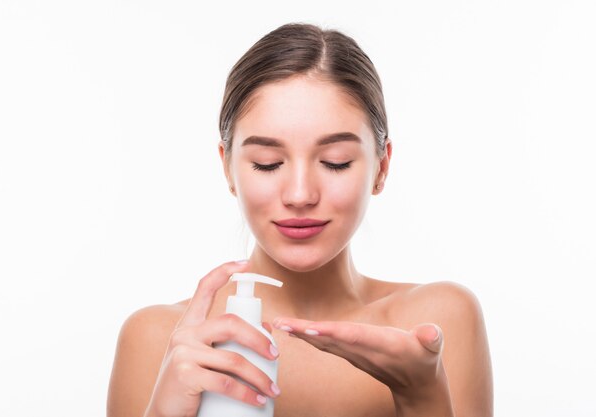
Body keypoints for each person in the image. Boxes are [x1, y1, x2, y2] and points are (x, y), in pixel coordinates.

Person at [107, 22, 493, 417]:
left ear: (381, 166)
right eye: (267, 164)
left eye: (335, 162)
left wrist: (422, 394)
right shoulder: (161, 340)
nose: (300, 195)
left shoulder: (434, 324)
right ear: (227, 168)